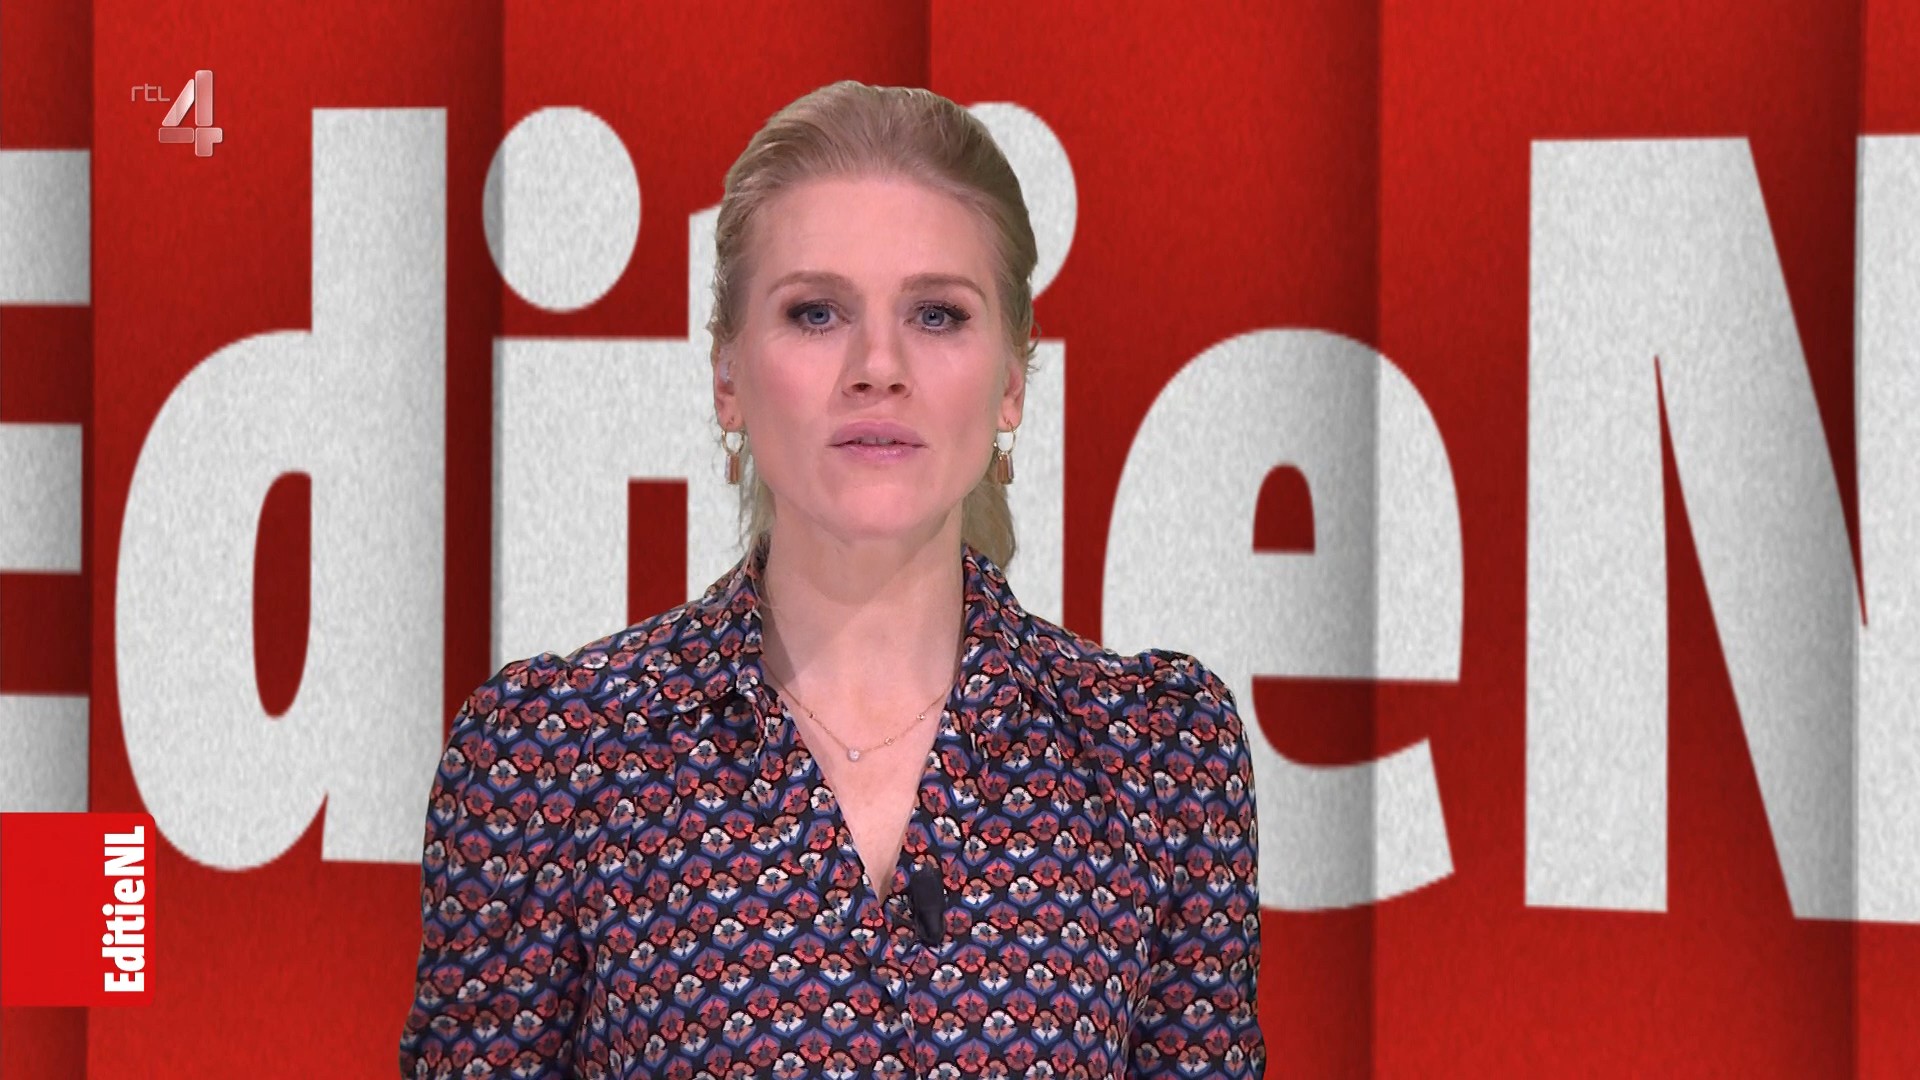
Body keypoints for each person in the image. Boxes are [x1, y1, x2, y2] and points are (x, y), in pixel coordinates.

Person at [399, 79, 1264, 1079]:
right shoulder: (548, 757)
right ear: (728, 374)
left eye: (937, 314)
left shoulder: (1160, 756)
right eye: (816, 312)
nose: (878, 365)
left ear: (1011, 380)